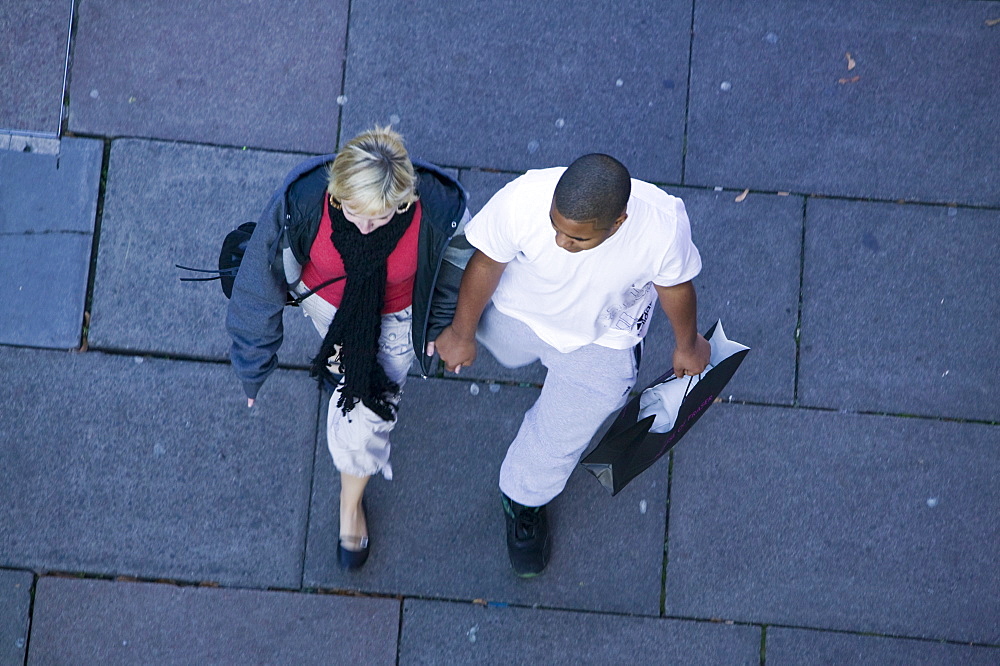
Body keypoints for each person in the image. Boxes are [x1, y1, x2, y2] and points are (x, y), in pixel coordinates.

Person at [434, 153, 710, 577]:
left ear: (617, 223)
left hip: (600, 339)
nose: (562, 243)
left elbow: (675, 286)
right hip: (518, 312)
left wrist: (687, 345)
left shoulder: (662, 226)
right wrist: (461, 332)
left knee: (560, 436)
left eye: (578, 240)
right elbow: (487, 261)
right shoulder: (524, 198)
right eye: (556, 227)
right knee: (505, 351)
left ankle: (523, 498)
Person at [227, 127, 471, 570]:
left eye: (379, 218)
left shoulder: (440, 212)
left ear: (406, 200)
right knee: (345, 374)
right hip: (324, 304)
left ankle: (350, 499)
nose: (363, 228)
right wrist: (253, 360)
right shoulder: (304, 199)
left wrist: (443, 328)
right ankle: (345, 398)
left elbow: (454, 275)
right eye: (351, 210)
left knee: (364, 418)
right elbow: (259, 278)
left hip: (397, 320)